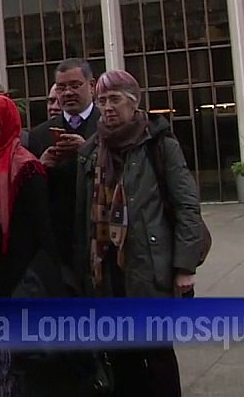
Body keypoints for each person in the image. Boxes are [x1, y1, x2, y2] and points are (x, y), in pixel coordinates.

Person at [74, 70, 204, 397]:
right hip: (106, 271)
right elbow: (83, 216)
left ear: (134, 102)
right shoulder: (91, 150)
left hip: (148, 266)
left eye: (115, 99)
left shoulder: (158, 143)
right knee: (121, 357)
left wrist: (185, 267)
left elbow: (186, 204)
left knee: (157, 355)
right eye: (102, 100)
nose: (108, 107)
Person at [0, 95, 74, 395]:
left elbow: (39, 233)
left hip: (16, 285)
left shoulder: (26, 168)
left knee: (20, 371)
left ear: (8, 123)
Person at [27, 58, 100, 271]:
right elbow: (30, 197)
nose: (67, 93)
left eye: (75, 85)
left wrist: (87, 150)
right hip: (60, 244)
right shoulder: (39, 135)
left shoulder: (108, 127)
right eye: (61, 87)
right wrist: (40, 168)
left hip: (101, 234)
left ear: (92, 86)